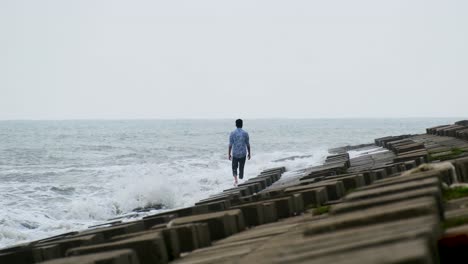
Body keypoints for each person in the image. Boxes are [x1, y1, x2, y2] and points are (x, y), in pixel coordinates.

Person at [228, 119, 251, 186]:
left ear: (236, 124)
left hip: (235, 153)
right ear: (242, 124)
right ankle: (241, 178)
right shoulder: (245, 133)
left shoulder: (232, 133)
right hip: (243, 153)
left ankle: (236, 180)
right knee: (241, 168)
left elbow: (230, 145)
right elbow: (248, 144)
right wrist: (249, 153)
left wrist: (229, 154)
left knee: (234, 168)